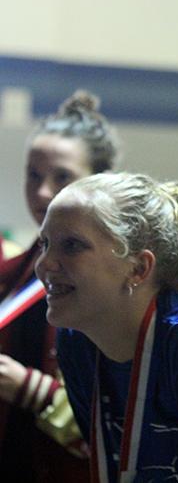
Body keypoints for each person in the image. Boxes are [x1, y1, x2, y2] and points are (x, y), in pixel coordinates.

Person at [35, 172, 178, 482]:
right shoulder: (76, 341)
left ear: (138, 268)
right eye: (45, 244)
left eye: (72, 246)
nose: (44, 264)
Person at [0, 90, 119, 481]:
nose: (43, 193)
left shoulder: (116, 279)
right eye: (33, 175)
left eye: (62, 177)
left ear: (100, 181)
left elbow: (120, 415)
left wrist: (31, 389)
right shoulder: (18, 268)